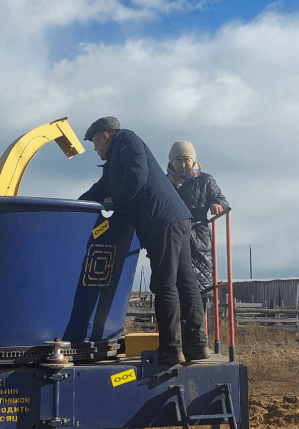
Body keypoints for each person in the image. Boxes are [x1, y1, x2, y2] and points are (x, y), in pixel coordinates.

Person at [79, 117, 209, 364]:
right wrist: (75, 205)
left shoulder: (127, 140)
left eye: (94, 141)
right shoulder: (114, 162)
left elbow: (138, 176)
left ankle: (171, 349)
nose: (94, 148)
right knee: (184, 281)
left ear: (105, 135)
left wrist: (114, 201)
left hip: (162, 221)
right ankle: (197, 346)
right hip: (176, 218)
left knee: (165, 283)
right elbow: (100, 188)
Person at [166, 140, 229, 298]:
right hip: (172, 235)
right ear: (171, 162)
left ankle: (198, 321)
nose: (182, 164)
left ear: (193, 160)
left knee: (200, 287)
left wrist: (216, 204)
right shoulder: (164, 182)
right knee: (173, 286)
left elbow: (220, 198)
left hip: (198, 236)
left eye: (186, 160)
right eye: (178, 160)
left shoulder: (205, 180)